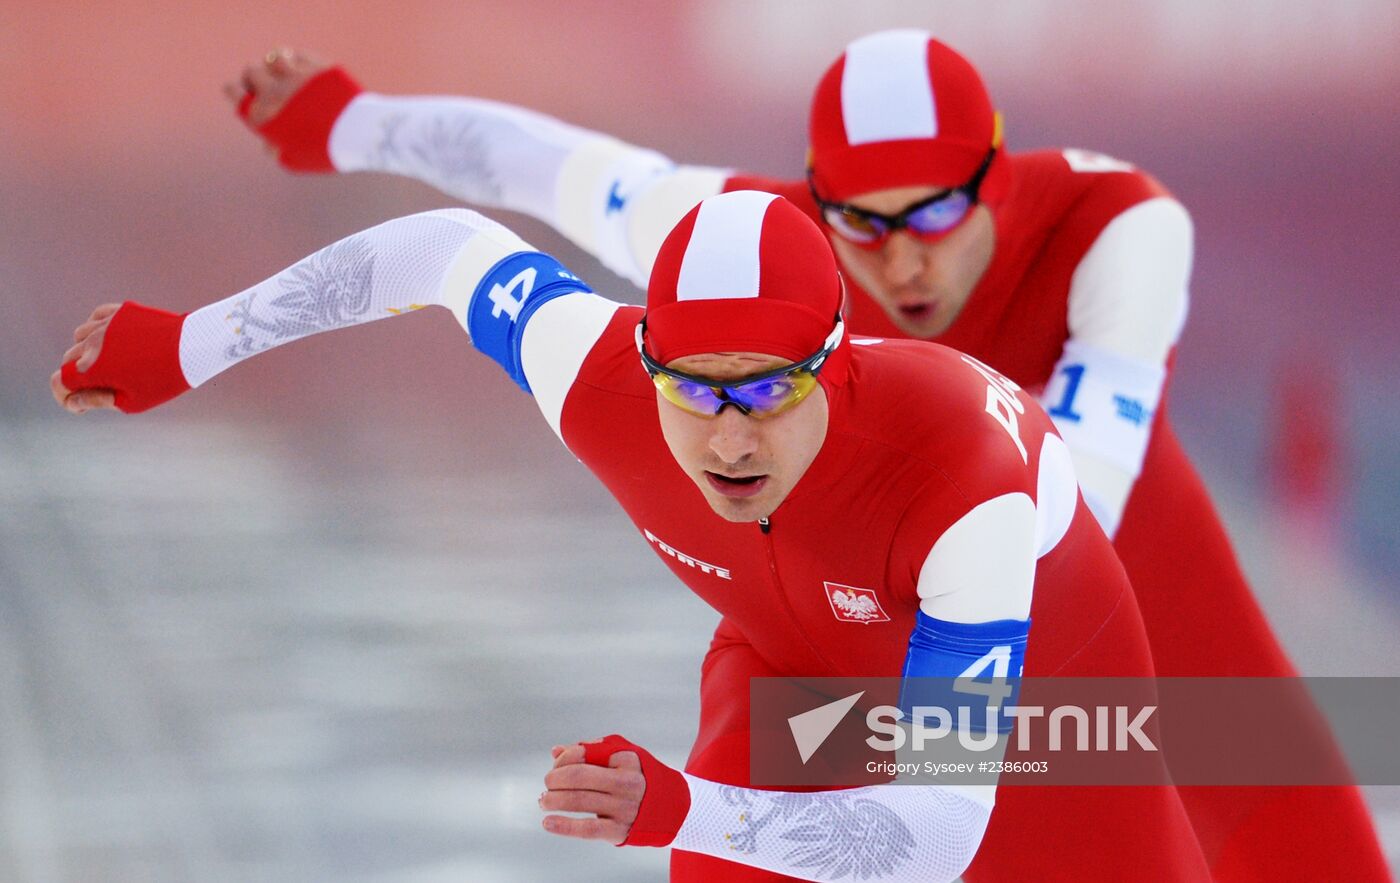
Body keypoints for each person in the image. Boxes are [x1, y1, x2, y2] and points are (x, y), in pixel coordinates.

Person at [224, 32, 1389, 879]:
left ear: (998, 171)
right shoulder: (751, 242)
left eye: (935, 215)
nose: (902, 266)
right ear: (815, 203)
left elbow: (1094, 474)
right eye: (862, 225)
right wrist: (348, 121)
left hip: (1105, 580)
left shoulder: (1112, 225)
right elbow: (542, 169)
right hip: (874, 607)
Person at [52, 191, 1213, 880]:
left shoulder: (962, 482)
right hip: (791, 658)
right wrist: (191, 345)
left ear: (836, 367)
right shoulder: (598, 379)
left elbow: (939, 827)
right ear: (643, 358)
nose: (724, 438)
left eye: (767, 390)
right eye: (690, 388)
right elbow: (443, 253)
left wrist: (683, 807)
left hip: (1051, 709)